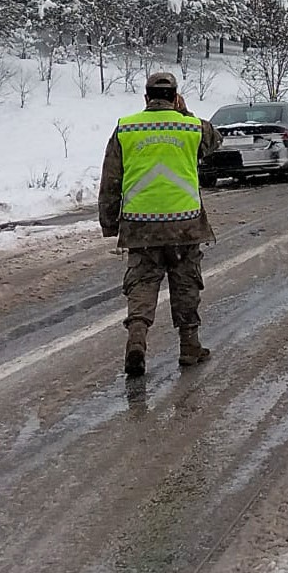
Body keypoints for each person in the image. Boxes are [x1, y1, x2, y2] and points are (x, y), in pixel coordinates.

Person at [98, 70, 223, 377]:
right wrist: (185, 112)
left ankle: (137, 339)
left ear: (146, 97)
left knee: (141, 284)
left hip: (141, 226)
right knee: (185, 284)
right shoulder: (192, 127)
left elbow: (111, 179)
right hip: (184, 224)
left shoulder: (126, 129)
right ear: (175, 97)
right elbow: (215, 140)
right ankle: (189, 346)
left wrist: (110, 222)